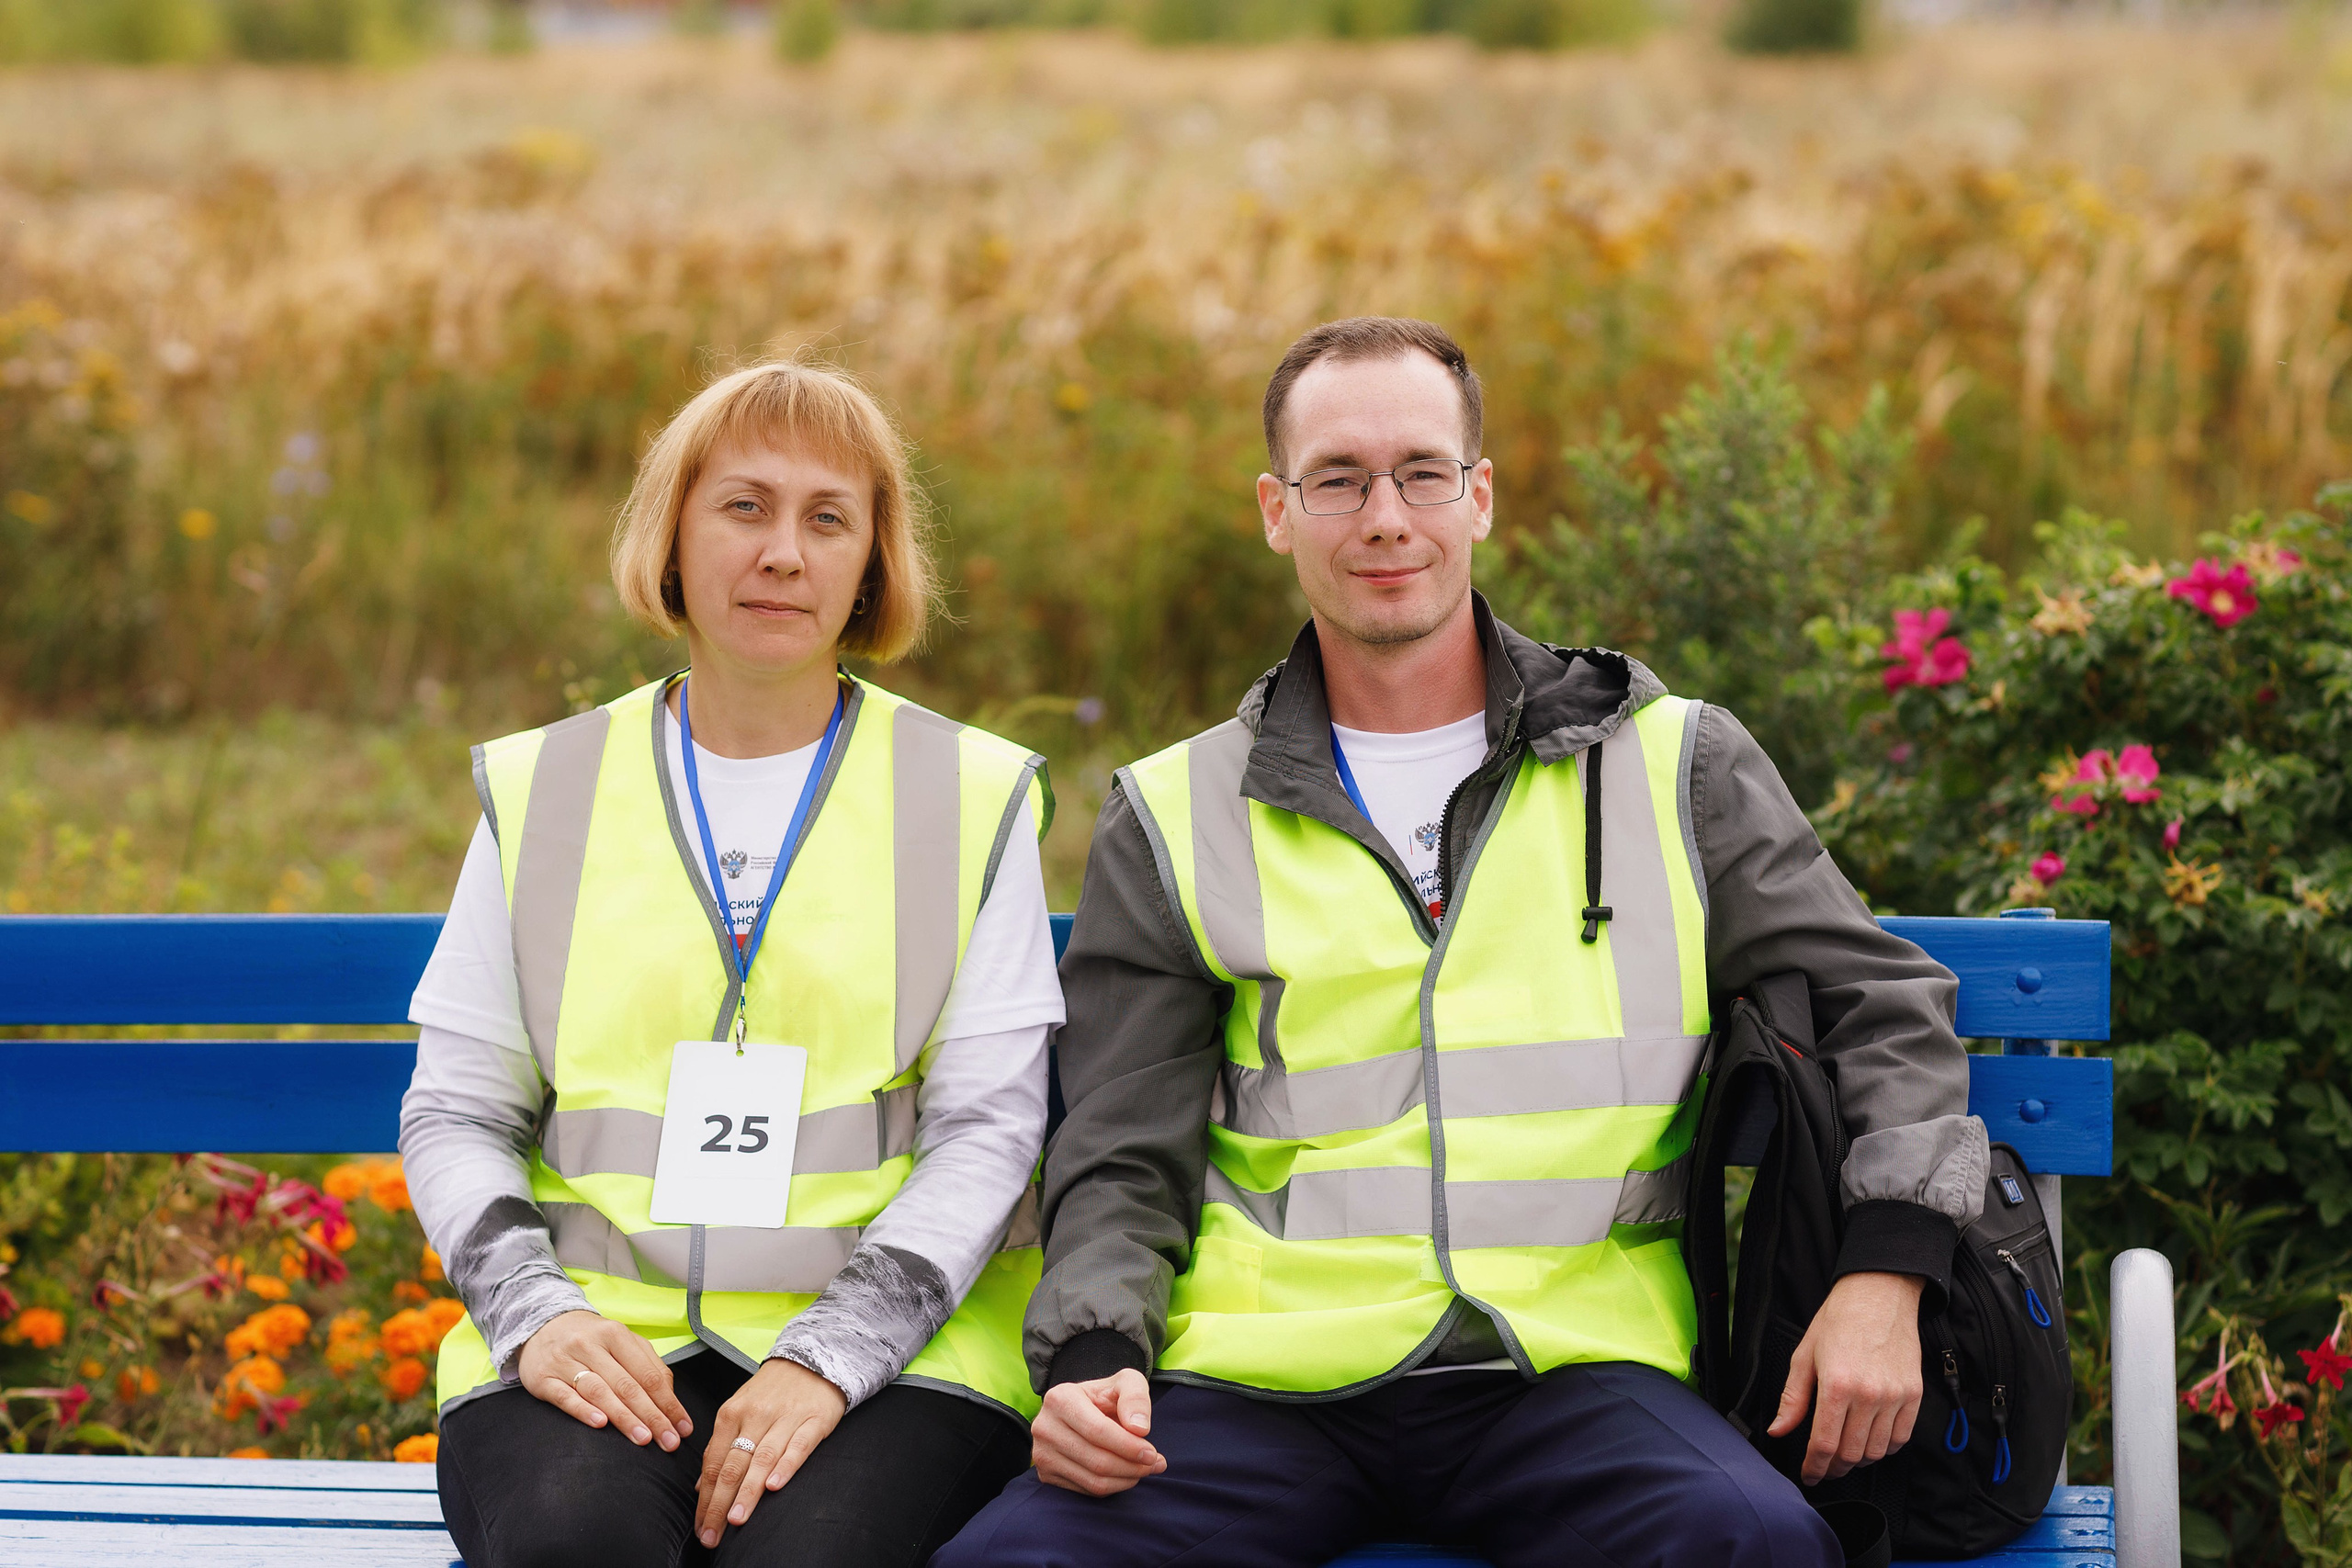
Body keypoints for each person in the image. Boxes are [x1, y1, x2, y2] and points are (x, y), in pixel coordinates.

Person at [938, 317, 1987, 1568]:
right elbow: (1119, 1140)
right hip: (1259, 1382)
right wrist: (1098, 1353)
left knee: (1748, 1545)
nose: (1385, 518)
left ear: (1478, 496)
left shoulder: (1669, 762)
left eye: (1421, 473)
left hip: (1573, 1372)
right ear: (1278, 511)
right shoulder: (1175, 809)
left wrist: (1890, 1272)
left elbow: (1881, 1002)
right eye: (1338, 480)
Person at [400, 360, 1064, 1568]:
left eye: (828, 519)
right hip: (599, 1338)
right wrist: (535, 1318)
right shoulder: (545, 787)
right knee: (575, 1546)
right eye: (743, 507)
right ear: (674, 534)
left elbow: (989, 1125)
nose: (783, 553)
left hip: (893, 1360)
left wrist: (831, 1356)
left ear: (873, 560)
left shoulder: (972, 797)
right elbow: (457, 1108)